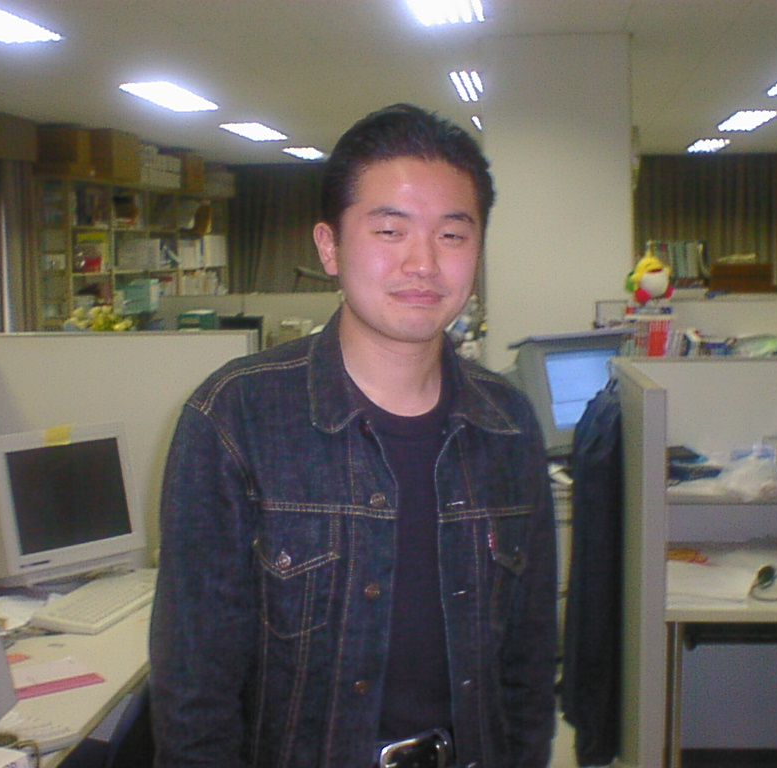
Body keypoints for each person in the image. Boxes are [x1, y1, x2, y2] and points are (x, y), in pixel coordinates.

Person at [149, 103, 557, 768]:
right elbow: (195, 693)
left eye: (453, 235)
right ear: (329, 246)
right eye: (390, 231)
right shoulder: (235, 417)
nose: (424, 263)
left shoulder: (508, 422)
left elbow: (528, 667)